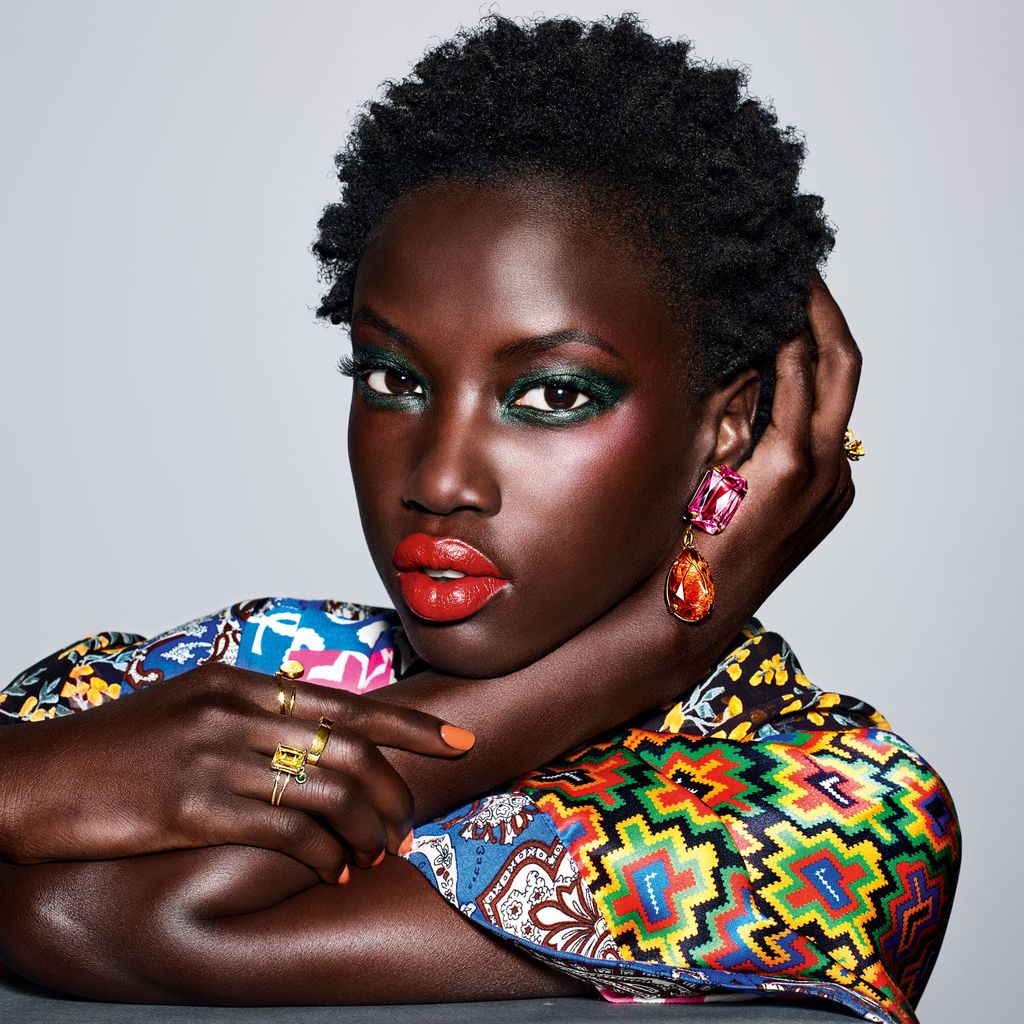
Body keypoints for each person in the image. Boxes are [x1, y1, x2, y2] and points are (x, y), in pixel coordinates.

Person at [0, 14, 958, 1023]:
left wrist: (656, 646)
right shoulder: (240, 668)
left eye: (551, 394)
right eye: (394, 378)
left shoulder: (830, 807)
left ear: (725, 428)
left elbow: (100, 920)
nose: (441, 478)